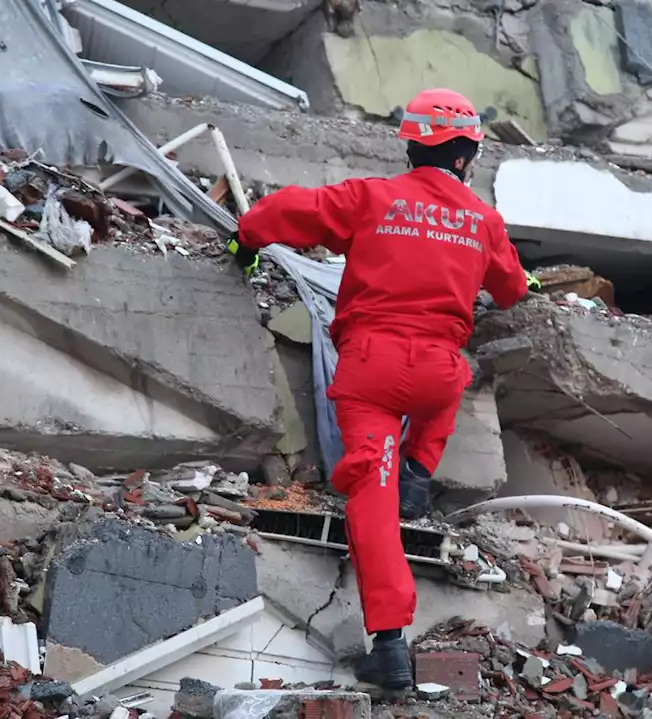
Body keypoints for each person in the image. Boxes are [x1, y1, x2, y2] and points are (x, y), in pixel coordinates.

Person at [227, 88, 539, 690]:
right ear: (468, 155)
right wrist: (510, 270)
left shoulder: (371, 198)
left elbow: (281, 213)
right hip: (436, 374)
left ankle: (390, 646)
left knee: (372, 502)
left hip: (371, 371)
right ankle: (419, 471)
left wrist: (245, 243)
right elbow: (511, 291)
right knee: (450, 379)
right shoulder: (483, 220)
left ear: (412, 147)